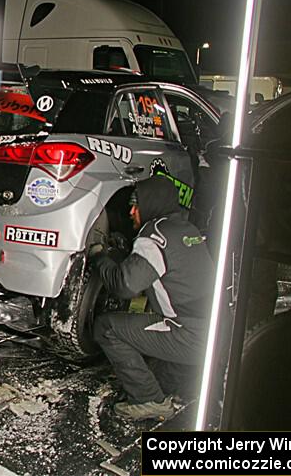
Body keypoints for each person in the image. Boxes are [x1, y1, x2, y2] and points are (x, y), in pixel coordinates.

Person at [90, 175, 214, 420]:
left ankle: (149, 402)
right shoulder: (186, 228)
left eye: (137, 205)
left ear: (152, 205)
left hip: (189, 334)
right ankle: (181, 379)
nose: (132, 212)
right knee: (158, 372)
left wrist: (99, 257)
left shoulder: (154, 235)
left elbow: (125, 287)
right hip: (216, 331)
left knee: (106, 328)